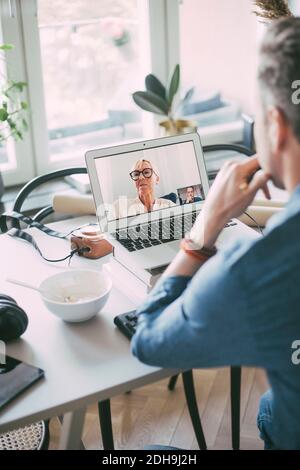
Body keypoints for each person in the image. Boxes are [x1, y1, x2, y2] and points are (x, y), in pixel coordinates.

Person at [131, 18, 300, 450]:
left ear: (276, 128)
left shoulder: (257, 271)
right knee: (269, 404)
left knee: (154, 454)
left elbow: (149, 341)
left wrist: (202, 233)